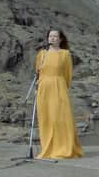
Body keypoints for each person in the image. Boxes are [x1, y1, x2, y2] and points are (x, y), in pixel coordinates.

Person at [35, 29, 83, 159]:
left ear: (61, 39)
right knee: (46, 118)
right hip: (44, 88)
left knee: (60, 118)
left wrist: (62, 87)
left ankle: (63, 148)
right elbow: (38, 73)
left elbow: (68, 74)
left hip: (58, 87)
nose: (52, 38)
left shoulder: (65, 54)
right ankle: (48, 149)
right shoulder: (42, 54)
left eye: (55, 36)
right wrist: (38, 86)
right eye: (50, 36)